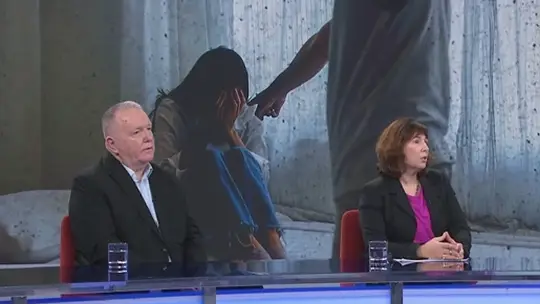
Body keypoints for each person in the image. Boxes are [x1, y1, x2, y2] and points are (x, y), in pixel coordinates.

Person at [249, 0, 453, 261]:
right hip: (372, 164)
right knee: (368, 280)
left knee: (379, 280)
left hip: (388, 161)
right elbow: (332, 36)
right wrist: (278, 89)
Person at [151, 47, 285, 262]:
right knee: (211, 158)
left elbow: (262, 177)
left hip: (246, 208)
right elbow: (160, 175)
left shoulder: (244, 113)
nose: (232, 105)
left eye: (238, 97)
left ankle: (271, 237)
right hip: (194, 204)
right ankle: (247, 241)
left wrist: (230, 133)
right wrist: (206, 133)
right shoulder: (173, 111)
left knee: (239, 157)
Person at [68, 101, 205, 280]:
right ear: (112, 145)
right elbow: (103, 251)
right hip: (128, 288)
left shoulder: (167, 180)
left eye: (148, 129)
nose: (148, 137)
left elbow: (192, 237)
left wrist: (194, 279)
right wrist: (158, 281)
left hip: (180, 288)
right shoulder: (90, 185)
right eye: (136, 132)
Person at [358, 118, 470, 260]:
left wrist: (460, 247)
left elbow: (461, 228)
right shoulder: (375, 192)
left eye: (426, 142)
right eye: (417, 141)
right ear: (397, 147)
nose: (425, 148)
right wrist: (420, 251)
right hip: (401, 272)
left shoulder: (438, 181)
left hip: (444, 266)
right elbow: (374, 247)